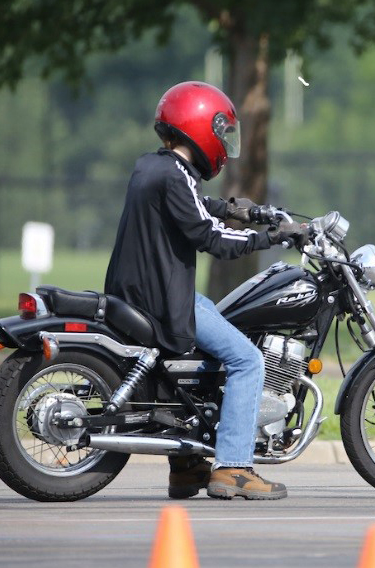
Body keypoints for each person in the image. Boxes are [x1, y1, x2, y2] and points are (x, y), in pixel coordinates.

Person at [105, 81, 305, 500]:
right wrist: (273, 237)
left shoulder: (152, 166)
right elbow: (209, 237)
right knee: (248, 360)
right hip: (163, 299)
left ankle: (187, 465)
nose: (222, 140)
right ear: (200, 126)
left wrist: (240, 210)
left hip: (140, 292)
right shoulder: (175, 176)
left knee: (213, 317)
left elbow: (195, 207)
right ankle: (233, 467)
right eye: (220, 130)